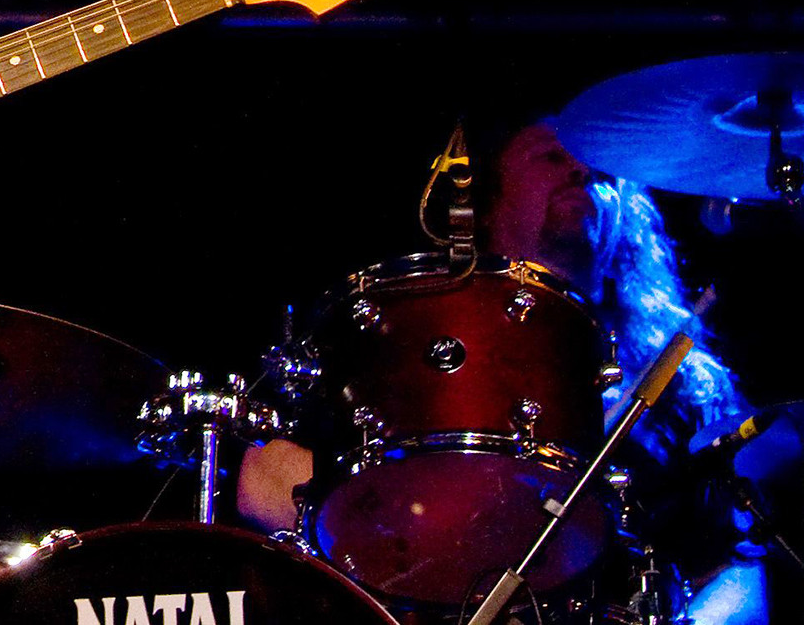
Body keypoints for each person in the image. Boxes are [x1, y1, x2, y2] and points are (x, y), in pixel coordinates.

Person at [236, 121, 771, 622]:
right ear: (487, 206)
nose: (580, 171)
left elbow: (742, 570)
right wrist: (419, 521)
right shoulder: (424, 342)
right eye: (551, 157)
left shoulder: (683, 382)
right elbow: (260, 478)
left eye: (597, 168)